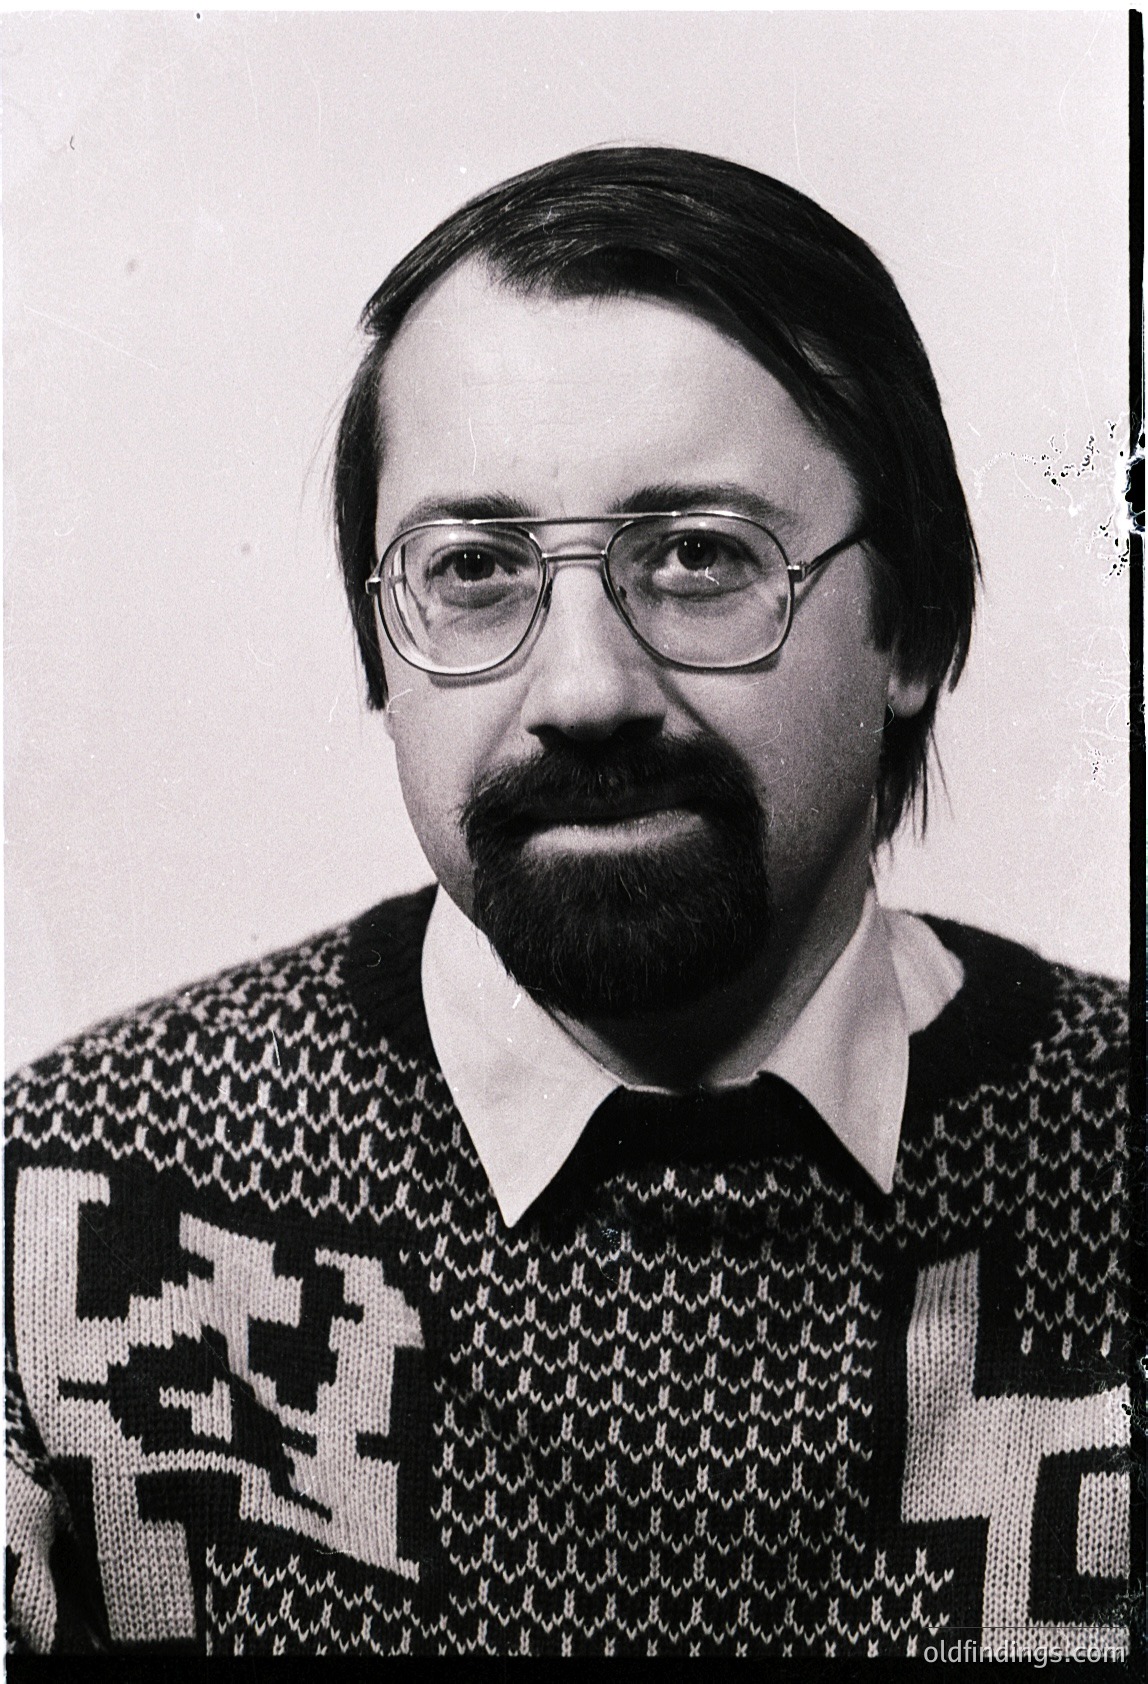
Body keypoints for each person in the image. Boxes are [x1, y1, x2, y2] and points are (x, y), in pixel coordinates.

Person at [5, 147, 1131, 1660]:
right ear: (378, 651)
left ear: (913, 625)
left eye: (700, 560)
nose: (588, 690)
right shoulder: (63, 1206)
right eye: (473, 568)